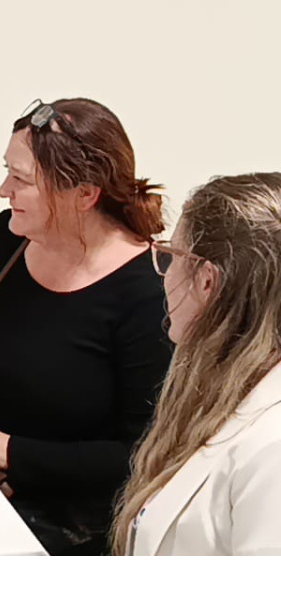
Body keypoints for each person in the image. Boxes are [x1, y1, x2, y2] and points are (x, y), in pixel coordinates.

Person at [0, 98, 172, 555]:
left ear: (84, 194)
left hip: (66, 516)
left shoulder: (149, 292)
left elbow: (143, 453)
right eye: (7, 172)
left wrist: (13, 455)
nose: (3, 190)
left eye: (20, 179)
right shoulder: (10, 237)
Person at [113, 173, 281, 555]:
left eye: (173, 256)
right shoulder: (221, 387)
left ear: (207, 281)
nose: (165, 275)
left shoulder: (273, 446)